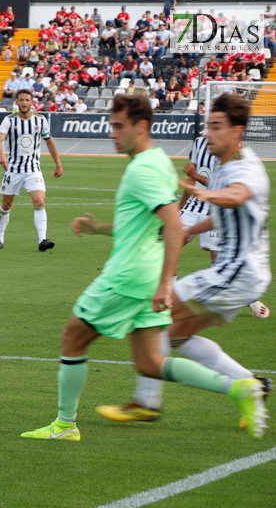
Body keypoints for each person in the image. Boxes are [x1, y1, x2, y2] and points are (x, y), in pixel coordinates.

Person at [21, 94, 265, 442]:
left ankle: (64, 425)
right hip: (145, 275)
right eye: (111, 126)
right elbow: (149, 224)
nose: (112, 134)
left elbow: (173, 223)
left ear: (141, 127)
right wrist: (100, 229)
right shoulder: (158, 162)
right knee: (152, 362)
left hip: (128, 277)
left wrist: (168, 282)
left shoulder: (145, 168)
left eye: (118, 126)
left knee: (73, 337)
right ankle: (239, 388)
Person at [97, 94, 271, 429]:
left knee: (155, 311)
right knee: (176, 336)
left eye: (217, 127)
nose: (209, 133)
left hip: (235, 273)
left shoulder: (246, 167)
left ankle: (146, 402)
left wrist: (207, 194)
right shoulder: (222, 165)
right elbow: (225, 214)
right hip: (244, 275)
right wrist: (192, 227)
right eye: (208, 125)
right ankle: (253, 386)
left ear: (237, 132)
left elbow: (238, 195)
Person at [0, 89, 64, 251]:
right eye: (21, 100)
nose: (24, 103)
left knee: (39, 202)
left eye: (27, 100)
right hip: (13, 169)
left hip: (33, 169)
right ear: (16, 102)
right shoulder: (9, 120)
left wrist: (58, 163)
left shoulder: (40, 120)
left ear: (32, 102)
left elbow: (49, 141)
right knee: (6, 204)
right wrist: (2, 155)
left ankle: (42, 240)